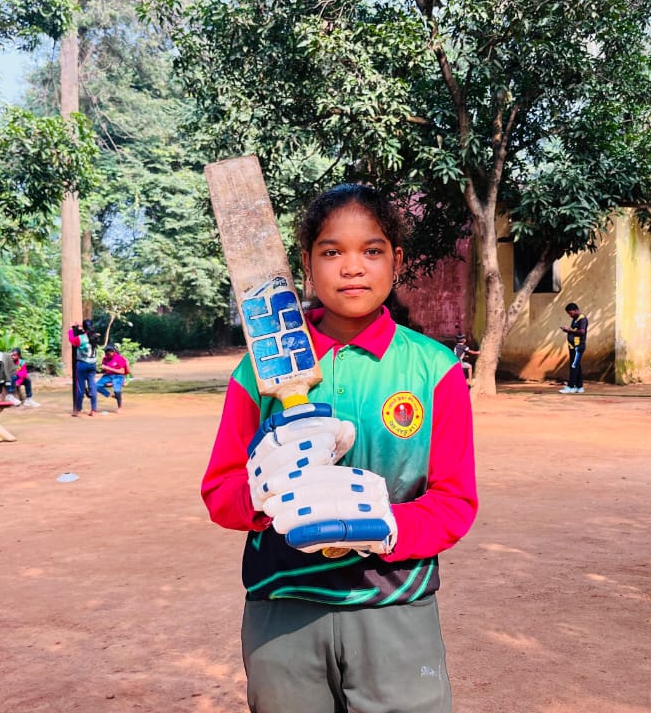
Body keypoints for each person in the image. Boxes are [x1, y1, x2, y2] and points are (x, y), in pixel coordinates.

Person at [202, 183, 478, 712]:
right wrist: (258, 494)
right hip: (283, 609)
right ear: (306, 263)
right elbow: (220, 491)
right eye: (332, 252)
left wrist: (391, 526)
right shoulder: (259, 369)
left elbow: (455, 501)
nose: (353, 267)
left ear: (397, 261)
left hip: (395, 603)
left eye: (371, 251)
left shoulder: (433, 369)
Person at [68, 320, 99, 416]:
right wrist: (83, 326)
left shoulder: (80, 338)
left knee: (80, 387)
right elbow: (89, 330)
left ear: (84, 328)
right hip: (92, 364)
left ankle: (78, 409)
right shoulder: (95, 336)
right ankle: (93, 409)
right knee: (92, 386)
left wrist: (71, 329)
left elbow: (71, 340)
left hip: (82, 364)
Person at [559, 301, 588, 394]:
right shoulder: (575, 319)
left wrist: (569, 330)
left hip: (578, 346)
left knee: (573, 366)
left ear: (576, 310)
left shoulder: (582, 319)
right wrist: (567, 331)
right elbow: (574, 331)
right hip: (573, 346)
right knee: (576, 366)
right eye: (569, 314)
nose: (570, 315)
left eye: (571, 313)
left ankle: (571, 386)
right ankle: (579, 387)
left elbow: (582, 332)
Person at [96, 343, 129, 412]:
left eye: (108, 353)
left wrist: (108, 368)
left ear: (113, 351)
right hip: (108, 376)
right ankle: (112, 395)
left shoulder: (119, 358)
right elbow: (104, 370)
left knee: (117, 390)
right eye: (106, 353)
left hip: (118, 376)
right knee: (96, 386)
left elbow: (122, 371)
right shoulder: (105, 358)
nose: (107, 355)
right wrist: (101, 369)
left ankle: (120, 406)